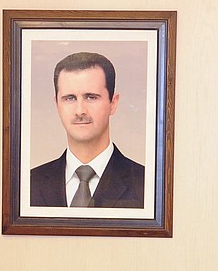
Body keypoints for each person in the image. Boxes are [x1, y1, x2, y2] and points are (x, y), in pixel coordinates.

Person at [30, 51, 145, 209]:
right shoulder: (29, 184)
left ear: (113, 103)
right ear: (57, 104)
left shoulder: (146, 184)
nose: (80, 111)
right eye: (70, 98)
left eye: (91, 97)